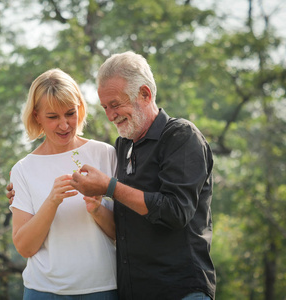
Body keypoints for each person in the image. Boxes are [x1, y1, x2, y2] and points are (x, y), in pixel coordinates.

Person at [69, 51, 216, 300]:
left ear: (145, 94)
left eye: (115, 104)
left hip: (181, 291)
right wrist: (21, 186)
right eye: (105, 107)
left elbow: (175, 212)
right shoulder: (123, 145)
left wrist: (110, 187)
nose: (110, 115)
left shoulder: (181, 136)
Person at [8, 68, 118, 299]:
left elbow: (124, 234)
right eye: (52, 117)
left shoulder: (105, 154)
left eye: (70, 113)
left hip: (102, 288)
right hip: (43, 292)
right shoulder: (23, 170)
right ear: (36, 116)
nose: (64, 125)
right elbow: (25, 248)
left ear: (79, 107)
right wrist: (52, 201)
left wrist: (97, 209)